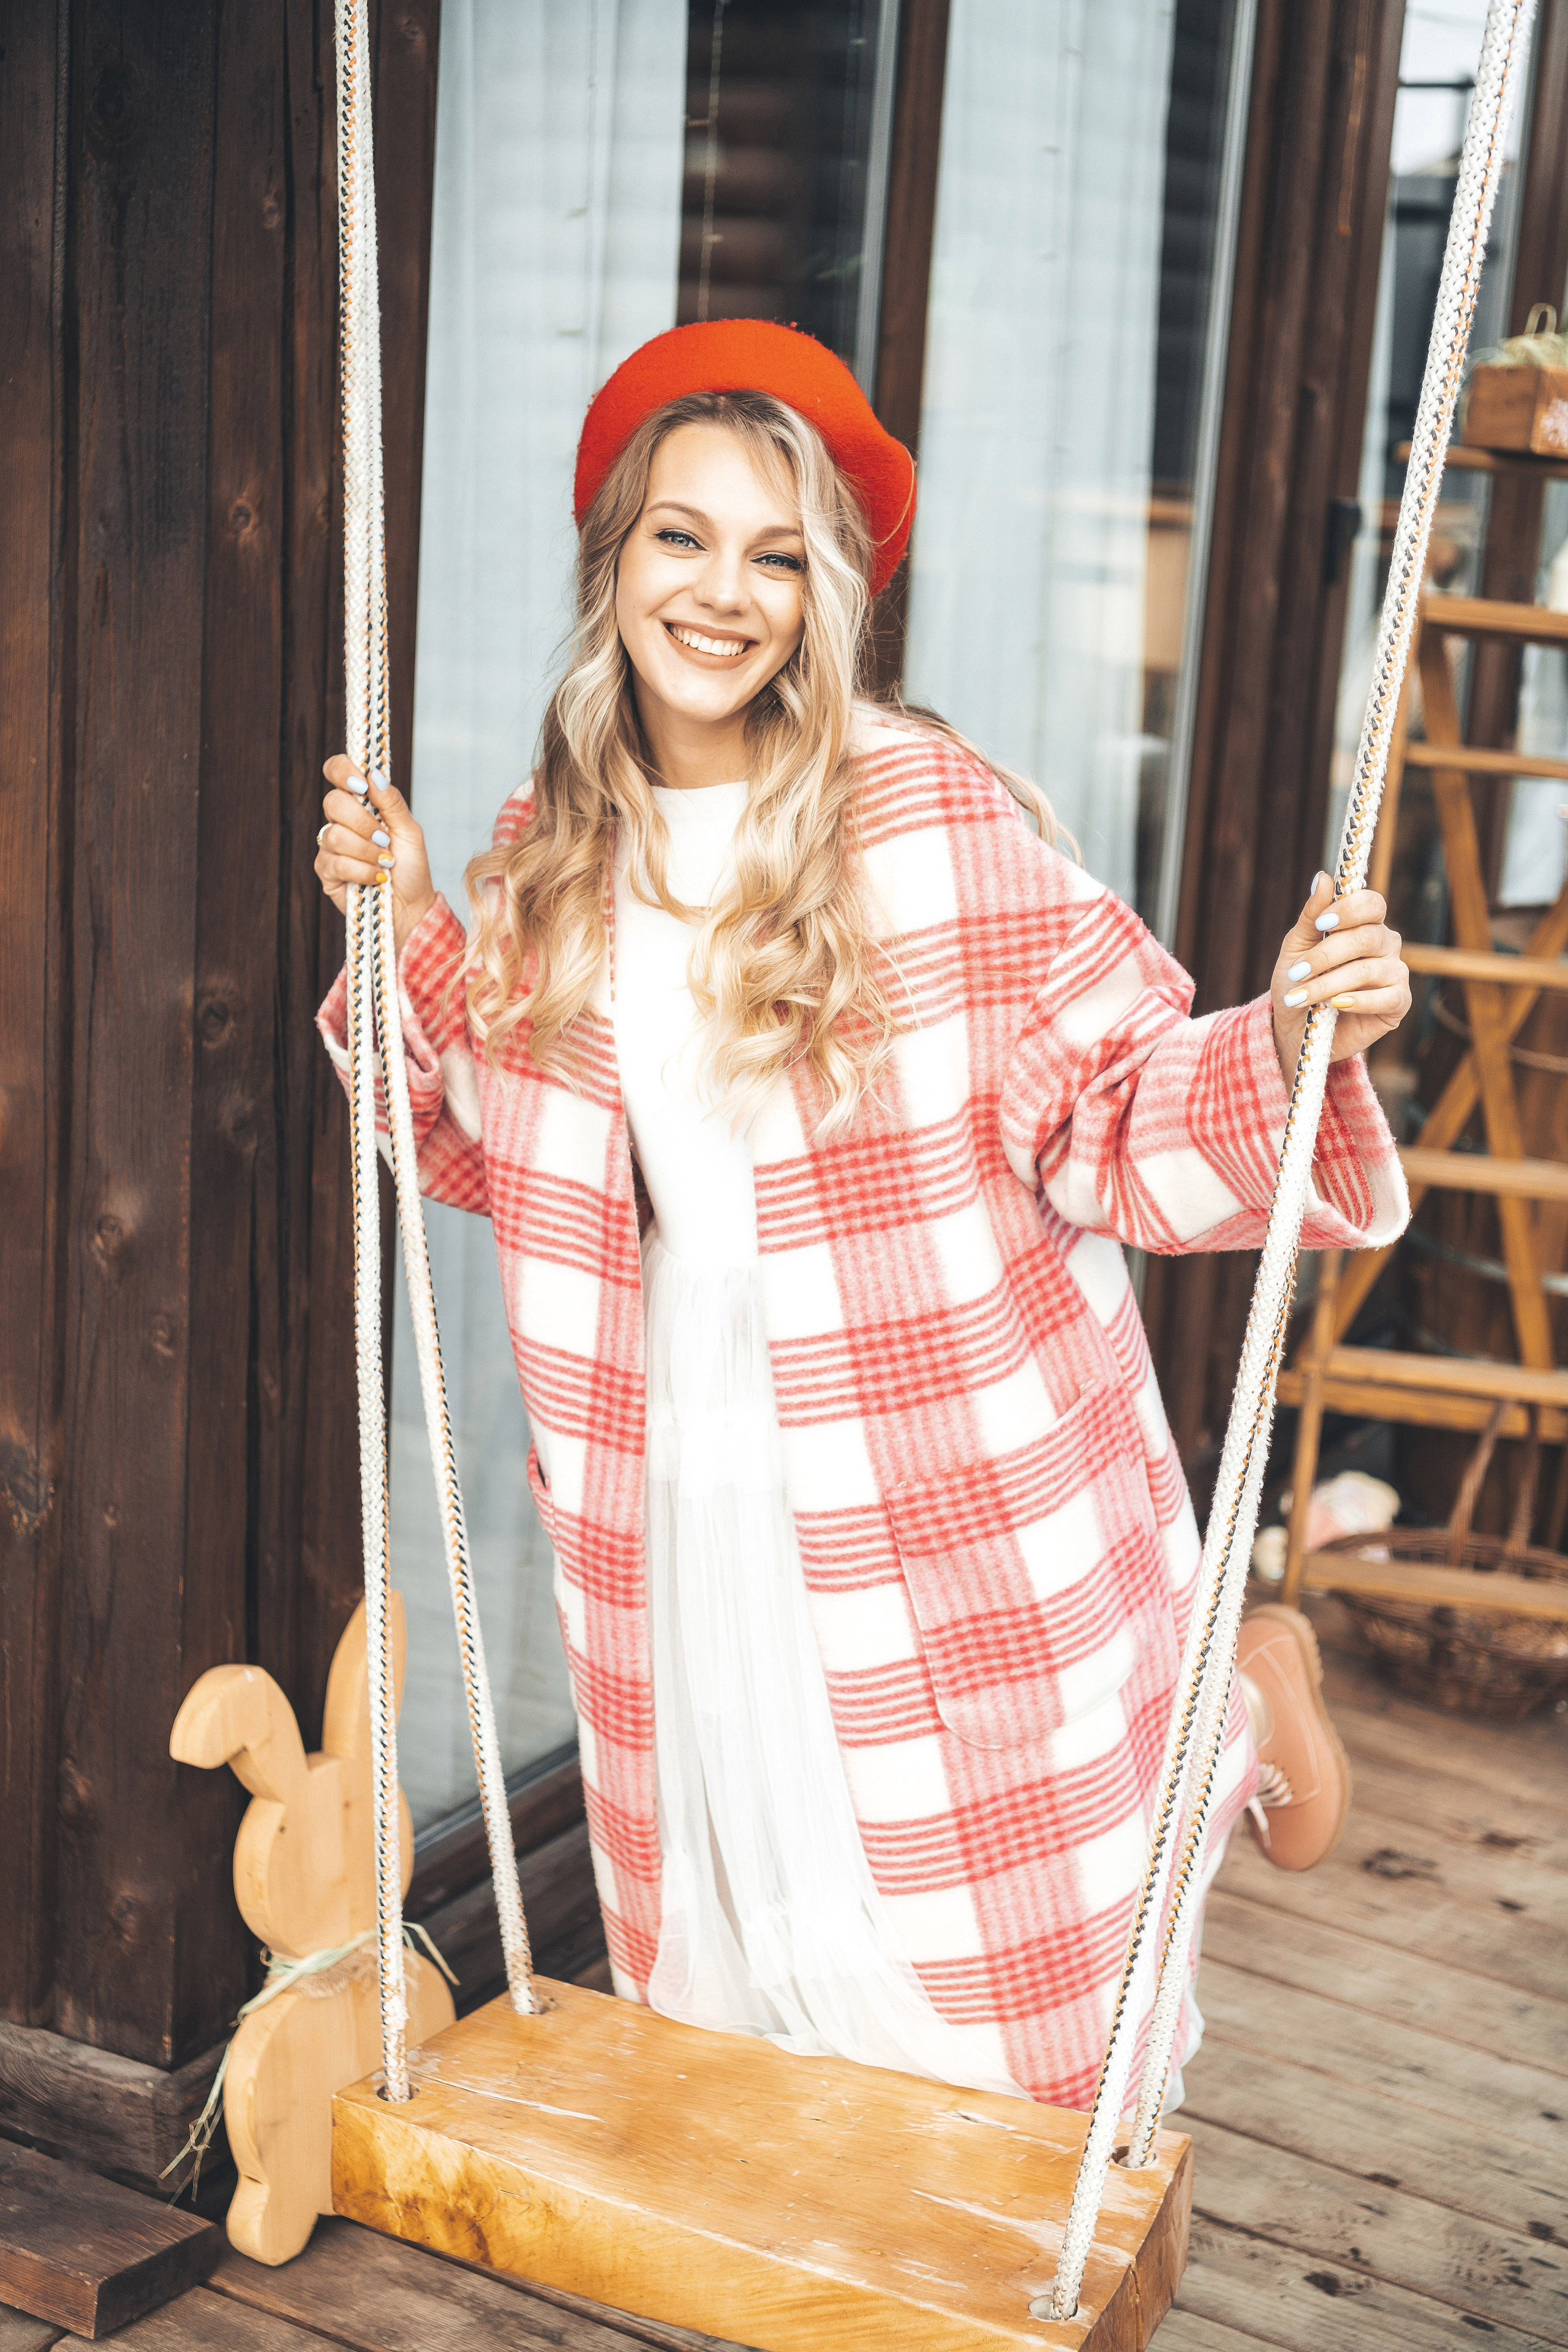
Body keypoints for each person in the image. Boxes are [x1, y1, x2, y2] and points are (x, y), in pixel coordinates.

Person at [314, 321, 1411, 2113]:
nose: (723, 592)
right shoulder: (556, 857)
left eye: (774, 553)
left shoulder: (928, 827)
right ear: (616, 562)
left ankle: (1235, 1694)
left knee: (977, 1970)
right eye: (682, 537)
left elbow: (1109, 1113)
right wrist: (431, 913)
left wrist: (1289, 1038)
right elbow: (492, 1148)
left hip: (927, 1436)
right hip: (690, 1441)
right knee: (761, 1925)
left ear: (824, 594)